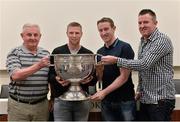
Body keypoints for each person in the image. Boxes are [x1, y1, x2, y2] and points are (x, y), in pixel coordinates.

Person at [101, 9, 176, 121]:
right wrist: (139, 90)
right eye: (139, 23)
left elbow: (144, 64)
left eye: (146, 22)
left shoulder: (161, 40)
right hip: (146, 99)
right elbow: (143, 71)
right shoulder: (143, 41)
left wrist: (117, 60)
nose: (142, 25)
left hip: (160, 100)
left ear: (155, 23)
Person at [90, 17, 136, 121]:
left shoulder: (125, 47)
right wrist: (99, 71)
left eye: (106, 29)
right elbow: (101, 79)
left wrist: (103, 92)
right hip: (107, 102)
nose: (103, 33)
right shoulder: (99, 51)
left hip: (125, 101)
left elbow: (124, 77)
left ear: (114, 28)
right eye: (100, 30)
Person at [48, 22, 96, 121]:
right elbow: (50, 75)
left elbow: (94, 79)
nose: (74, 36)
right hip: (61, 100)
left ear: (81, 34)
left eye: (77, 33)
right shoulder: (57, 52)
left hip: (82, 100)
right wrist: (56, 79)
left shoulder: (88, 53)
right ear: (67, 33)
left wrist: (89, 80)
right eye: (71, 33)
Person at [6, 23, 50, 121]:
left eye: (35, 35)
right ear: (22, 36)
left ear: (40, 36)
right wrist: (39, 65)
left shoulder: (46, 54)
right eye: (29, 35)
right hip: (19, 107)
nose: (33, 38)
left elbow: (50, 79)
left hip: (42, 106)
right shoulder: (14, 52)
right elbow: (16, 75)